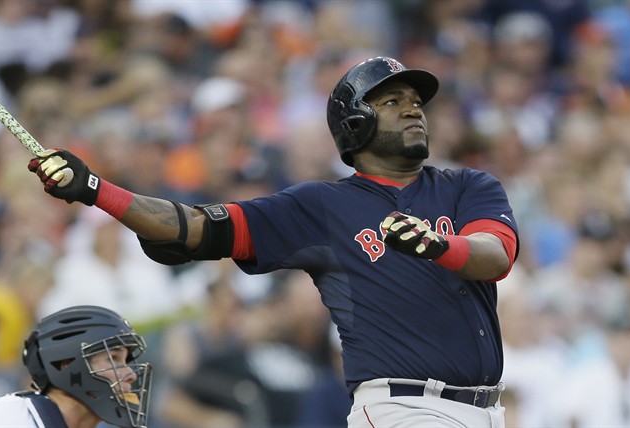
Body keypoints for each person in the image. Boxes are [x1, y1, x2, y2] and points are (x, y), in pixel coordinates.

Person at [26, 56, 519, 427]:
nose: (414, 110)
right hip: (404, 408)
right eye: (393, 102)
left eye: (416, 102)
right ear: (354, 123)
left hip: (489, 409)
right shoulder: (321, 207)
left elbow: (494, 257)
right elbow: (193, 226)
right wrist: (96, 189)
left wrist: (438, 246)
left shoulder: (468, 186)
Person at [0, 305, 152, 428]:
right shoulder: (8, 418)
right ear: (68, 367)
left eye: (125, 362)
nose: (132, 374)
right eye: (113, 359)